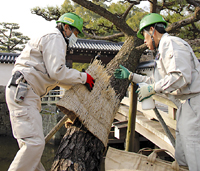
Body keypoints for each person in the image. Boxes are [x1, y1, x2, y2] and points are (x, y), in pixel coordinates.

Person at [6, 12, 95, 171]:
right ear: (66, 27)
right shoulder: (56, 38)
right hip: (24, 91)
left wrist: (78, 86)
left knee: (31, 153)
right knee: (34, 144)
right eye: (75, 32)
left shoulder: (53, 38)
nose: (75, 36)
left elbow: (56, 78)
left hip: (24, 91)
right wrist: (84, 77)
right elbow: (58, 72)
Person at [114, 13, 200, 171]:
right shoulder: (162, 51)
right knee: (183, 157)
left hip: (194, 104)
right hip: (185, 106)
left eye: (145, 36)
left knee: (194, 155)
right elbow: (158, 83)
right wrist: (132, 76)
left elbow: (181, 77)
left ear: (152, 30)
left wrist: (152, 89)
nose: (145, 42)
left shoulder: (172, 43)